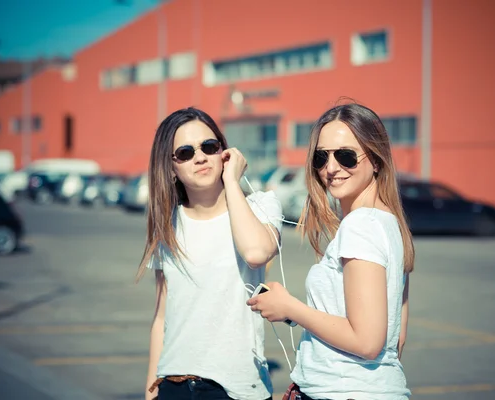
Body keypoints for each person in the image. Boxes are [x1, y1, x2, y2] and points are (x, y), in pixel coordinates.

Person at [247, 102, 415, 399]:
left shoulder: (361, 225)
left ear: (376, 160)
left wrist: (291, 308)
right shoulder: (389, 224)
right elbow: (396, 340)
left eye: (346, 156)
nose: (331, 168)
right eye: (321, 157)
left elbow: (367, 341)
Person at [138, 107, 282, 400]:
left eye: (209, 146)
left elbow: (256, 252)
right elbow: (162, 316)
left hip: (237, 391)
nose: (200, 157)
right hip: (174, 385)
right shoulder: (167, 226)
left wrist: (231, 181)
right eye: (186, 152)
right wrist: (150, 388)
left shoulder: (261, 206)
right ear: (171, 166)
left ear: (224, 152)